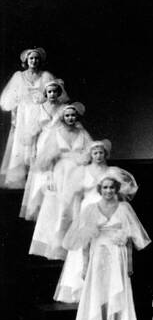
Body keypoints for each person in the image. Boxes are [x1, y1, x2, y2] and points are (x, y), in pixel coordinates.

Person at [64, 168, 150, 320]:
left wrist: (129, 265)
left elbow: (129, 240)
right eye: (105, 188)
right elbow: (86, 242)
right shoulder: (90, 209)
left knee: (115, 296)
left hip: (118, 256)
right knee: (98, 295)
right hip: (98, 256)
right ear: (100, 189)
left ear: (116, 189)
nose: (108, 191)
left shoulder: (125, 208)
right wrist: (85, 265)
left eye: (112, 187)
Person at [53, 139, 115, 303]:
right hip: (86, 211)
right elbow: (77, 198)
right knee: (83, 249)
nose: (98, 155)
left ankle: (103, 291)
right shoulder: (82, 172)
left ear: (105, 154)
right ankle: (80, 289)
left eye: (101, 152)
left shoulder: (111, 172)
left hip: (105, 212)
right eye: (95, 153)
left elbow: (116, 195)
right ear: (90, 155)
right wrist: (76, 219)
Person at [27, 100, 92, 259]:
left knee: (75, 207)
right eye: (67, 115)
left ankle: (75, 246)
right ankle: (57, 246)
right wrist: (49, 176)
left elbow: (91, 152)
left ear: (76, 117)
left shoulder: (83, 134)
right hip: (60, 173)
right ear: (63, 117)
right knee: (60, 208)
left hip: (78, 173)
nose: (70, 118)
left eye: (73, 115)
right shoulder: (56, 133)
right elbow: (47, 158)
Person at [1, 47, 56, 189]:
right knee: (21, 147)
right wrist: (14, 118)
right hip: (23, 115)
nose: (34, 61)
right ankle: (20, 180)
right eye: (31, 58)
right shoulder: (19, 76)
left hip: (40, 114)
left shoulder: (46, 76)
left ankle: (38, 181)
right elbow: (11, 100)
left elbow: (53, 97)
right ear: (26, 60)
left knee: (39, 145)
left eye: (37, 58)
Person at [20, 81, 71, 220]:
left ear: (59, 93)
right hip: (43, 141)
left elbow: (72, 126)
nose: (52, 94)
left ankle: (59, 207)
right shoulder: (40, 108)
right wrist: (32, 151)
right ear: (46, 93)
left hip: (61, 142)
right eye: (49, 92)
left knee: (59, 171)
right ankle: (41, 207)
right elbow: (34, 131)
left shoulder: (65, 108)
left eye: (55, 91)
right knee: (42, 174)